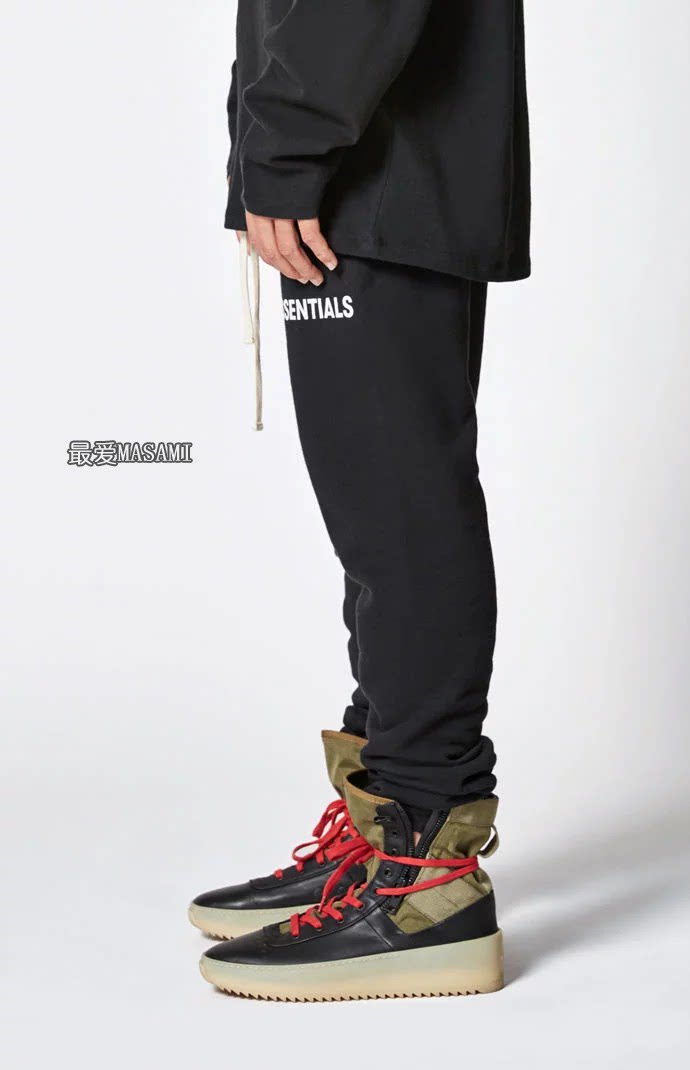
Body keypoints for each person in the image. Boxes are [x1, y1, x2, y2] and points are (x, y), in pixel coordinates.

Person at [190, 0, 530, 1001]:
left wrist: (284, 146)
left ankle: (427, 876)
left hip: (378, 159)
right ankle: (389, 832)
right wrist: (270, 145)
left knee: (401, 513)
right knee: (378, 522)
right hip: (367, 159)